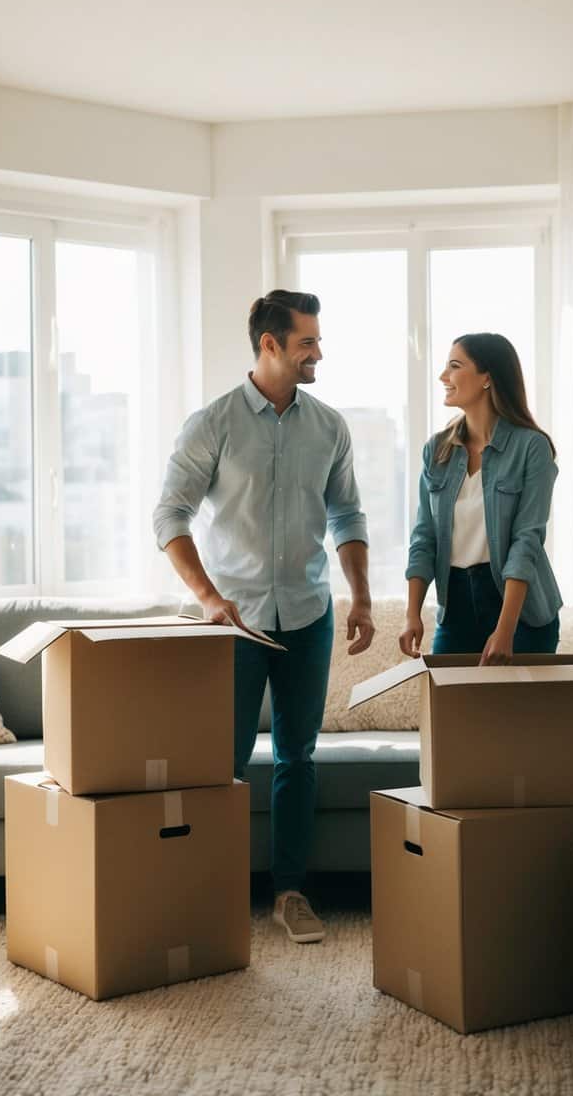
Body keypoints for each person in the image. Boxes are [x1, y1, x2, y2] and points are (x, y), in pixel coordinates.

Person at [153, 289, 374, 944]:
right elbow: (169, 515)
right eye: (307, 341)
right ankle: (210, 893)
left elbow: (348, 516)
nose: (318, 353)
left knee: (296, 756)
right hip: (235, 621)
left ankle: (289, 893)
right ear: (270, 344)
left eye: (317, 340)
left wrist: (360, 595)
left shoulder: (329, 426)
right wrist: (208, 597)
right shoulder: (212, 424)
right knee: (222, 762)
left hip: (309, 613)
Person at [399, 332, 561, 665]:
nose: (443, 377)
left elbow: (526, 541)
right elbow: (424, 536)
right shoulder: (437, 449)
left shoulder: (532, 448)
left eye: (455, 366)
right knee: (450, 713)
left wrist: (506, 629)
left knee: (515, 718)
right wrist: (412, 613)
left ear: (487, 377)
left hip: (521, 614)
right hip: (456, 605)